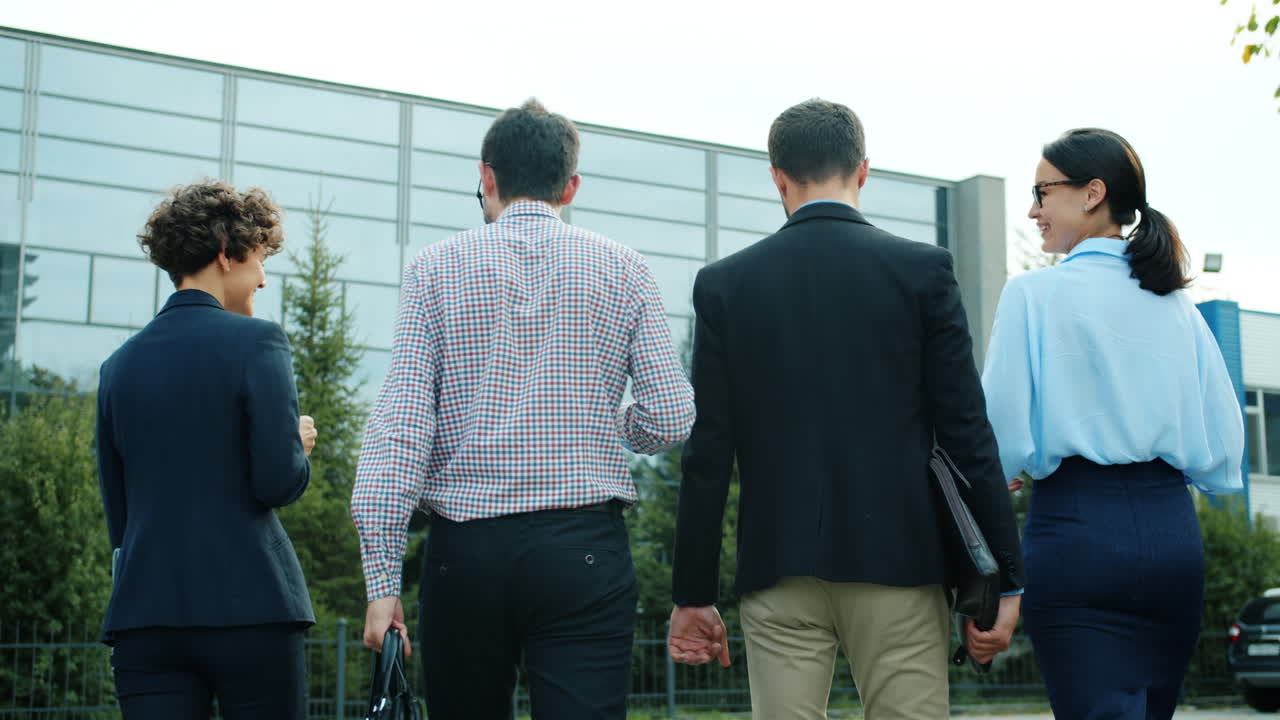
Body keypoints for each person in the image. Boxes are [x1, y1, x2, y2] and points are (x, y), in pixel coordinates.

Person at [667, 98, 1025, 719]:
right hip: (901, 561)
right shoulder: (923, 272)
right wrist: (1006, 577)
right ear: (863, 170)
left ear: (777, 177)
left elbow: (708, 454)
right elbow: (968, 434)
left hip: (778, 566)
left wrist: (693, 593)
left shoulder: (725, 285)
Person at [351, 98, 695, 720]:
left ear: (487, 177)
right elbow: (670, 416)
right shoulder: (625, 268)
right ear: (571, 187)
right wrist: (613, 423)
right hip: (582, 550)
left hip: (467, 554)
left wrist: (382, 583)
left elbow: (401, 431)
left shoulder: (432, 269)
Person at [982, 128, 1245, 719]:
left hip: (1077, 532)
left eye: (1041, 192)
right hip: (1172, 533)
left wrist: (1001, 475)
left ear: (1093, 193)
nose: (1033, 210)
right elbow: (1224, 449)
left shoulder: (1032, 295)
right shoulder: (1176, 304)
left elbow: (997, 432)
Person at [97, 181, 318, 720]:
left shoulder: (116, 367)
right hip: (253, 608)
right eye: (259, 260)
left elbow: (120, 519)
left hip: (145, 618)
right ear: (225, 253)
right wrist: (296, 445)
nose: (262, 278)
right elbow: (277, 482)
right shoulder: (259, 341)